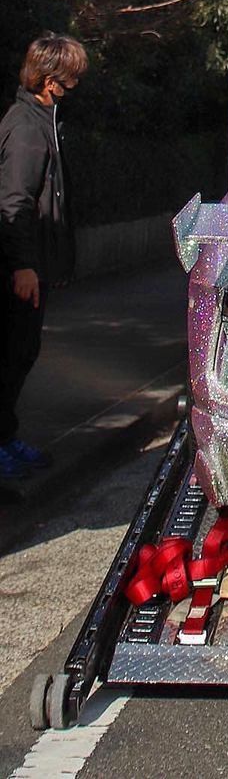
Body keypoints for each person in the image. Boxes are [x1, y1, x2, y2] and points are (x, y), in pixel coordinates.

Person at [0, 33, 88, 480]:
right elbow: (14, 202)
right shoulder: (27, 127)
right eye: (70, 79)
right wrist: (23, 265)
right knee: (13, 354)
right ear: (50, 80)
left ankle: (6, 437)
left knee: (22, 352)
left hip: (34, 264)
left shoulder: (44, 121)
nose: (74, 87)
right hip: (22, 267)